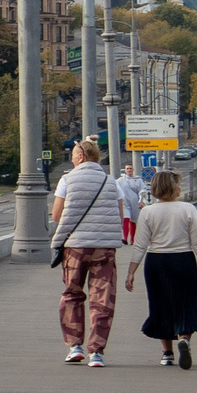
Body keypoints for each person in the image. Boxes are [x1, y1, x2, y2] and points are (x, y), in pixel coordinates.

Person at [124, 169, 197, 368]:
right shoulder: (187, 209)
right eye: (178, 183)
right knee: (188, 303)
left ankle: (167, 352)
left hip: (156, 263)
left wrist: (131, 272)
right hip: (183, 261)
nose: (180, 187)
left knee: (161, 305)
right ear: (172, 187)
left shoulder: (147, 212)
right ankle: (184, 339)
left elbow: (140, 244)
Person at [50, 140, 124, 368]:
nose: (71, 157)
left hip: (75, 247)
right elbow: (120, 214)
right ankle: (97, 353)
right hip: (104, 248)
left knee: (72, 294)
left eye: (73, 154)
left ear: (81, 156)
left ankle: (74, 347)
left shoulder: (67, 179)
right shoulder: (111, 181)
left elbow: (56, 215)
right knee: (103, 300)